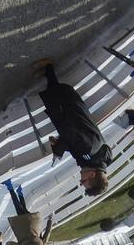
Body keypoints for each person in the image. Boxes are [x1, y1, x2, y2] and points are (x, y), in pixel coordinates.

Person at [36, 61, 111, 196]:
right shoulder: (89, 151)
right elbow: (68, 132)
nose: (81, 181)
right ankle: (48, 66)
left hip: (68, 105)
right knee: (53, 89)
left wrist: (60, 147)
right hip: (65, 104)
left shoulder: (94, 159)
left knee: (53, 88)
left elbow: (72, 142)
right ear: (92, 174)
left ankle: (48, 71)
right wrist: (58, 150)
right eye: (84, 181)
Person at [3, 177, 53, 245]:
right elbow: (10, 244)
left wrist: (50, 220)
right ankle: (9, 185)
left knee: (23, 208)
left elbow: (47, 232)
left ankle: (20, 192)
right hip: (22, 225)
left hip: (33, 223)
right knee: (17, 206)